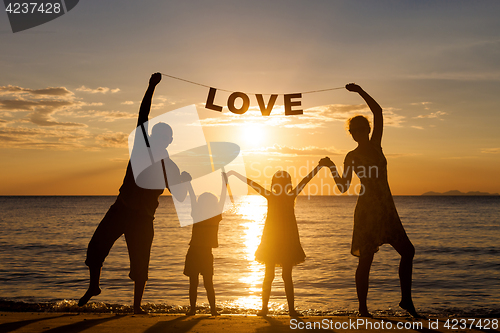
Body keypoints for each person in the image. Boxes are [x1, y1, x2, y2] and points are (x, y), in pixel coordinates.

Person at [78, 73, 191, 314]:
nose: (162, 140)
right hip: (121, 209)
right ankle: (94, 287)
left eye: (166, 138)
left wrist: (185, 181)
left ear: (169, 142)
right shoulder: (142, 145)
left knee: (140, 265)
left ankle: (136, 307)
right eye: (158, 135)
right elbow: (143, 114)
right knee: (96, 247)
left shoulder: (168, 165)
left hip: (143, 219)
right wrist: (151, 87)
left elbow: (179, 196)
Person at [320, 83, 420, 318]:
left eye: (361, 127)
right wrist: (331, 167)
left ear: (367, 129)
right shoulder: (352, 156)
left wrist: (360, 92)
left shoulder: (376, 145)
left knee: (408, 251)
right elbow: (343, 187)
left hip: (386, 209)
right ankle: (363, 309)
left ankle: (406, 300)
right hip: (366, 211)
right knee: (366, 260)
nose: (358, 132)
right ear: (352, 134)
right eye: (354, 129)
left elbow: (379, 112)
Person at [227, 163, 322, 317]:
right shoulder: (289, 196)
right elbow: (306, 180)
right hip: (282, 241)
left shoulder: (274, 196)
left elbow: (253, 184)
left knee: (270, 275)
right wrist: (319, 167)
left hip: (274, 241)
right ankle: (286, 310)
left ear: (275, 184)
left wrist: (235, 174)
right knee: (284, 276)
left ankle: (267, 309)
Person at [183, 173, 228, 316]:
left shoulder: (198, 213)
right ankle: (212, 310)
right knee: (208, 283)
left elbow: (192, 197)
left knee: (194, 283)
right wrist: (224, 183)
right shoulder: (215, 216)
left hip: (194, 252)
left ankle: (193, 310)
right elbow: (222, 200)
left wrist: (189, 183)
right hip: (205, 253)